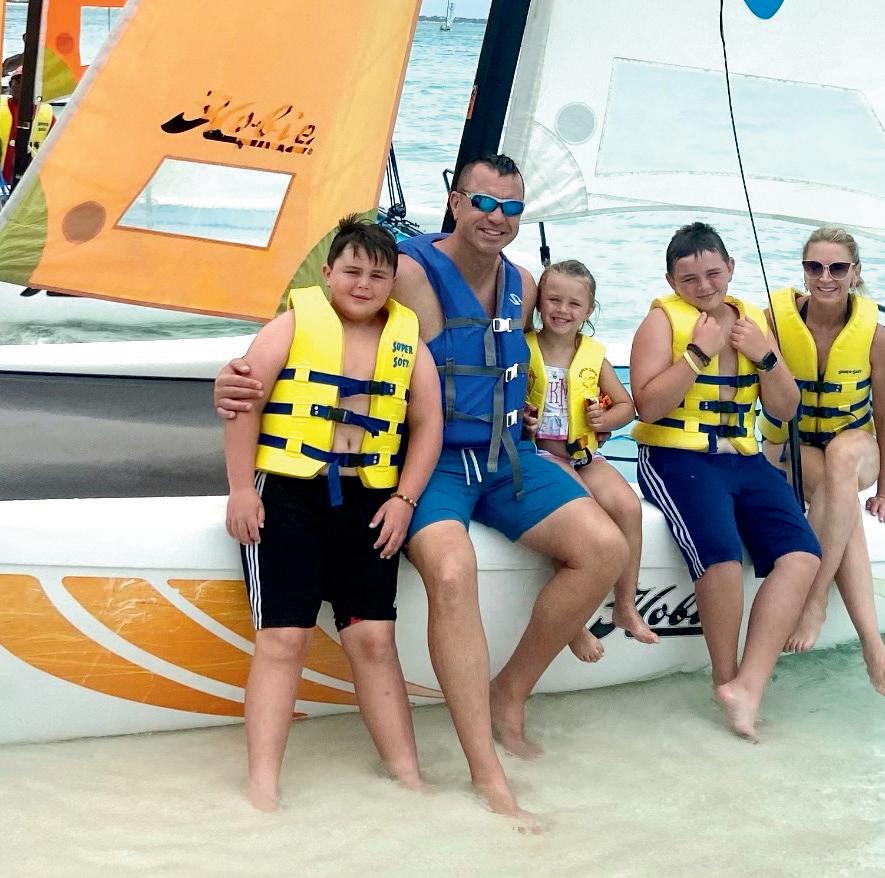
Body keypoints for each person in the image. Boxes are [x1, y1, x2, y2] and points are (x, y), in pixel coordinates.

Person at [215, 155, 626, 829]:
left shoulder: (524, 284)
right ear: (455, 201)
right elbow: (308, 339)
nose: (496, 218)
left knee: (604, 548)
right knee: (453, 571)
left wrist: (569, 413)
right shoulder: (403, 272)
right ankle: (485, 774)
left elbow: (542, 352)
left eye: (511, 208)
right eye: (483, 202)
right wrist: (227, 383)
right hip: (429, 470)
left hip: (508, 457)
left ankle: (509, 694)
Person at [223, 216, 442, 811]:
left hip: (370, 502)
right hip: (289, 496)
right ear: (327, 273)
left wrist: (404, 500)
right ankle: (263, 787)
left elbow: (428, 426)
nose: (364, 284)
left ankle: (409, 779)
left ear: (393, 282)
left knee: (374, 640)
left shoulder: (409, 343)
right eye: (352, 271)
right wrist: (241, 490)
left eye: (378, 275)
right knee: (283, 640)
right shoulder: (290, 326)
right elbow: (243, 405)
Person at [631, 221, 822, 740]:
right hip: (675, 456)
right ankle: (724, 677)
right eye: (689, 279)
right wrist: (696, 354)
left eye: (714, 274)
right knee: (720, 558)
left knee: (802, 556)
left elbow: (786, 408)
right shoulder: (661, 323)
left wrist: (766, 356)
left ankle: (748, 686)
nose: (704, 286)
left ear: (731, 268)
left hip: (742, 456)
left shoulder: (753, 322)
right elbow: (647, 406)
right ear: (671, 282)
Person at [758, 226, 885, 698]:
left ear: (855, 273)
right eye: (815, 267)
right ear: (804, 271)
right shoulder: (774, 322)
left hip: (856, 447)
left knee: (842, 459)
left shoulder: (874, 337)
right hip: (794, 448)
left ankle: (815, 597)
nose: (825, 277)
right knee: (840, 501)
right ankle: (874, 649)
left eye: (837, 268)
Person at [524, 259, 658, 661]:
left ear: (589, 310)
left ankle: (625, 604)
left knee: (627, 507)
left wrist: (605, 419)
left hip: (585, 453)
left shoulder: (594, 357)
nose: (562, 310)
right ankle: (574, 622)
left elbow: (626, 406)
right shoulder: (523, 349)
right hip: (542, 455)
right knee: (578, 513)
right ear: (539, 303)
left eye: (574, 304)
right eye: (553, 300)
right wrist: (522, 418)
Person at [1, 67, 55, 189]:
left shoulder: (47, 115)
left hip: (29, 186)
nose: (23, 85)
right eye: (18, 81)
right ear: (10, 85)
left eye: (28, 81)